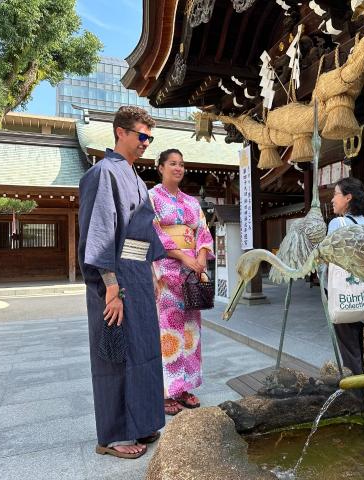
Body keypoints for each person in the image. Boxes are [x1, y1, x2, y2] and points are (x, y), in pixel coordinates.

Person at [78, 106, 167, 459]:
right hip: (113, 282)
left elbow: (142, 235)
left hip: (138, 278)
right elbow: (98, 233)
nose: (146, 143)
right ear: (121, 133)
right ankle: (113, 435)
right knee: (116, 355)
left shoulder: (135, 178)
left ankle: (141, 422)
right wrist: (110, 288)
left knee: (143, 351)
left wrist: (153, 271)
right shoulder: (103, 173)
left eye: (150, 137)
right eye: (141, 135)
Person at [149, 148, 214, 416]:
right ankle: (167, 391)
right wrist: (184, 258)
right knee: (169, 331)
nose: (178, 168)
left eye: (181, 164)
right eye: (172, 164)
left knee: (191, 331)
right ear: (161, 167)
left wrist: (199, 259)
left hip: (192, 273)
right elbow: (153, 232)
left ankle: (185, 386)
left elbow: (203, 232)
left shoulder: (191, 201)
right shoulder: (152, 198)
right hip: (167, 271)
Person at [327, 177, 364, 375]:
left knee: (349, 348)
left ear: (348, 197)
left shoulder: (338, 223)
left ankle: (356, 394)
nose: (332, 200)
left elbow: (329, 258)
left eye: (335, 194)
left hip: (344, 294)